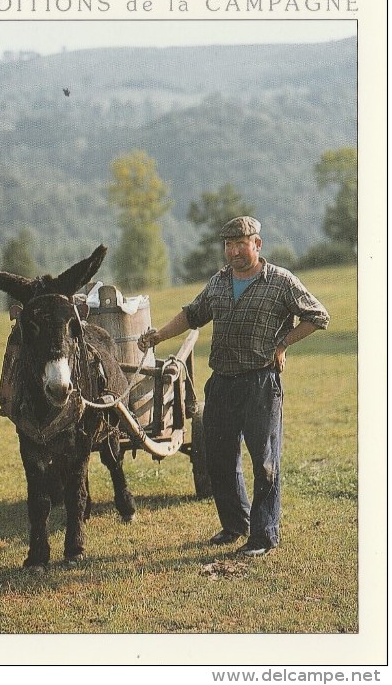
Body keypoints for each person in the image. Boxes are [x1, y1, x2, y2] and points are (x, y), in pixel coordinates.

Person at [138, 216, 330, 556]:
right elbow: (193, 314)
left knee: (265, 462)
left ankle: (263, 536)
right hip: (222, 382)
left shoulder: (280, 281)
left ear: (257, 244)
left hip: (259, 383)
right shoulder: (219, 282)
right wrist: (159, 335)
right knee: (220, 459)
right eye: (229, 244)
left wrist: (282, 344)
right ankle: (234, 525)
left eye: (241, 243)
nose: (234, 251)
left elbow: (317, 316)